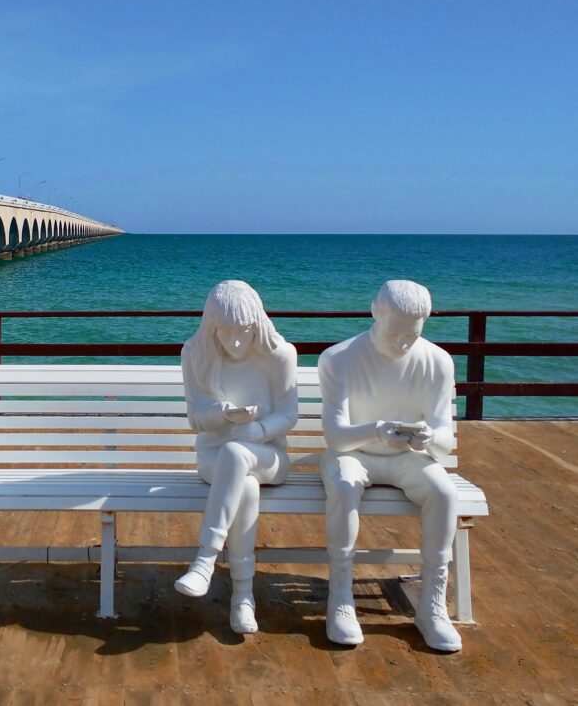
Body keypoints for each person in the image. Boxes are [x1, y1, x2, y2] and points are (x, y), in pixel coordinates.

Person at [319, 279, 462, 652]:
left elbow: (446, 437)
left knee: (444, 494)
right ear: (374, 312)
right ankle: (341, 596)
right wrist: (377, 431)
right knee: (345, 485)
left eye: (411, 336)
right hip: (353, 455)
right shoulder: (339, 359)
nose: (402, 343)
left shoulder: (437, 362)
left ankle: (432, 606)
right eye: (394, 332)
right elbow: (335, 437)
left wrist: (430, 438)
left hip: (408, 457)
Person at [175, 280, 298, 634]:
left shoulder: (279, 355)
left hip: (269, 456)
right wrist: (223, 415)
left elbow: (289, 414)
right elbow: (196, 418)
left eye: (243, 332)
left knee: (238, 453)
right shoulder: (195, 354)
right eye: (226, 333)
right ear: (211, 326)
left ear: (257, 322)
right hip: (215, 459)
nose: (236, 342)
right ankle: (243, 596)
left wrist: (257, 431)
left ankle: (206, 559)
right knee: (244, 484)